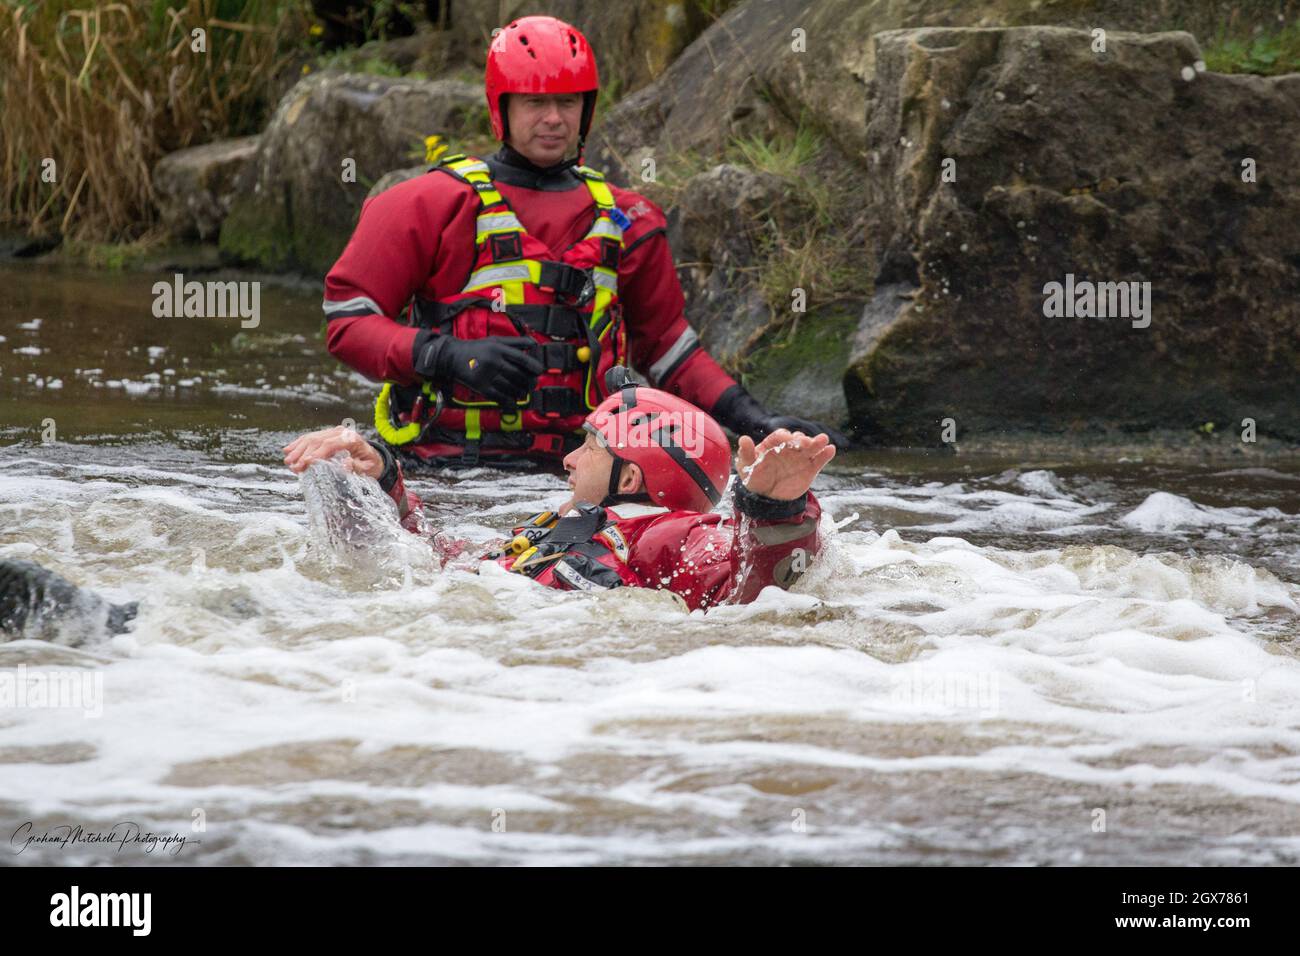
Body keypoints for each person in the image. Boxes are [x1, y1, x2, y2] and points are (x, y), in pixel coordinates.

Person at [322, 14, 847, 471]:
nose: (554, 118)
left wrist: (751, 418)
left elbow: (666, 349)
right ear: (500, 108)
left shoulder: (629, 218)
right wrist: (448, 355)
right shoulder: (427, 204)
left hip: (580, 473)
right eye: (536, 102)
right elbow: (348, 319)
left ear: (587, 109)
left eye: (568, 102)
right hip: (446, 466)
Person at [283, 372, 836, 612]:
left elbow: (746, 584)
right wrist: (382, 475)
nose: (568, 459)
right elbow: (432, 557)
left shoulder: (664, 533)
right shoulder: (558, 528)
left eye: (591, 446)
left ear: (629, 479)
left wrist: (773, 509)